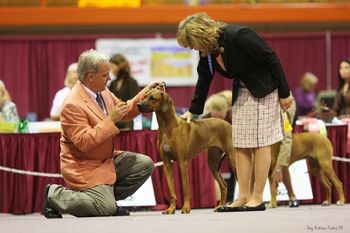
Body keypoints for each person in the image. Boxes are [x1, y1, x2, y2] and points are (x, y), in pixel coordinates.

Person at [177, 13, 293, 211]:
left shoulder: (239, 35)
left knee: (261, 143)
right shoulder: (207, 52)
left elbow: (270, 57)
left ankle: (257, 198)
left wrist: (284, 92)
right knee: (240, 143)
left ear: (201, 35)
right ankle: (243, 196)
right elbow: (204, 78)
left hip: (264, 88)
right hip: (243, 90)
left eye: (192, 43)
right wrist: (193, 111)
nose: (193, 48)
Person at [41, 49, 165, 218]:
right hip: (84, 166)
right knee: (104, 208)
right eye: (105, 75)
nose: (110, 78)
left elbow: (126, 110)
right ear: (91, 76)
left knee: (145, 164)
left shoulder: (103, 91)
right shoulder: (72, 104)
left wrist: (146, 92)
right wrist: (110, 120)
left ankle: (107, 200)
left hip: (105, 159)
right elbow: (84, 142)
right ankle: (55, 195)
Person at [270, 95, 299, 207]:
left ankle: (291, 195)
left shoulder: (284, 115)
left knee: (281, 164)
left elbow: (287, 139)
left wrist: (279, 167)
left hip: (283, 118)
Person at [108, 54, 140, 130]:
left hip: (127, 122)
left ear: (120, 66)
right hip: (115, 121)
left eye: (112, 67)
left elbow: (134, 103)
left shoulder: (132, 82)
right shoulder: (113, 83)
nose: (111, 70)